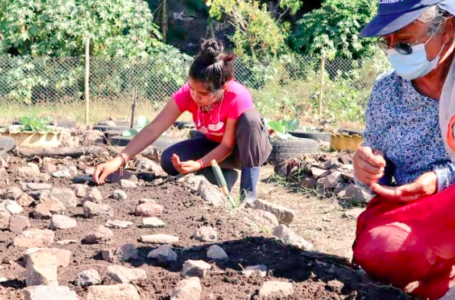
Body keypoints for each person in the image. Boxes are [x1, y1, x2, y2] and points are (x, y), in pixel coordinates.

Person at [352, 0, 455, 299]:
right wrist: (369, 167)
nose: (395, 51)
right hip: (413, 210)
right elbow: (380, 170)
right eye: (388, 43)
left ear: (447, 29)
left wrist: (440, 179)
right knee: (380, 253)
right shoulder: (386, 91)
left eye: (406, 43)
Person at [93, 39, 272, 201]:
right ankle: (222, 176)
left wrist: (199, 163)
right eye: (192, 89)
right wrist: (118, 161)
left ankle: (248, 196)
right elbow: (153, 129)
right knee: (169, 160)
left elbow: (227, 146)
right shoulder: (187, 94)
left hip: (246, 150)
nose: (194, 96)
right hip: (215, 146)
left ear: (222, 87)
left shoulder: (237, 95)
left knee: (251, 119)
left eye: (202, 93)